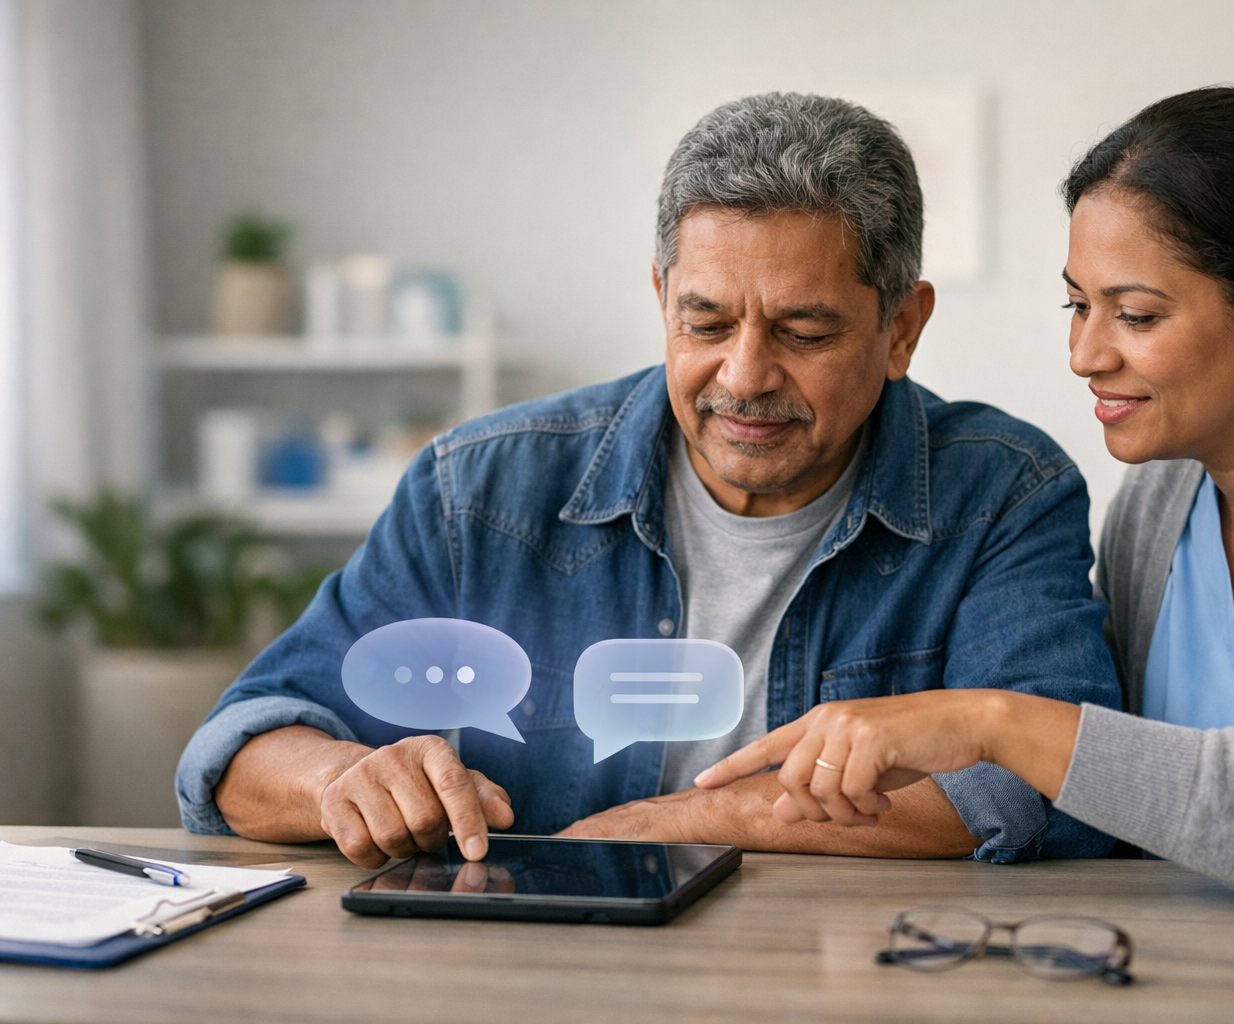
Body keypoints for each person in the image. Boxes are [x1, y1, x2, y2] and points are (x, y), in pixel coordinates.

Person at [176, 92, 1122, 869]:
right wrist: (341, 777)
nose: (745, 376)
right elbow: (242, 748)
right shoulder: (481, 491)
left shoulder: (1004, 491)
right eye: (704, 324)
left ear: (902, 330)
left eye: (804, 332)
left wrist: (671, 827)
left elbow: (1045, 777)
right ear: (660, 297)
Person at [699, 86, 1234, 912]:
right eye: (1077, 304)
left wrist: (999, 723)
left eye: (1134, 315)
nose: (1084, 354)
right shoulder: (1160, 497)